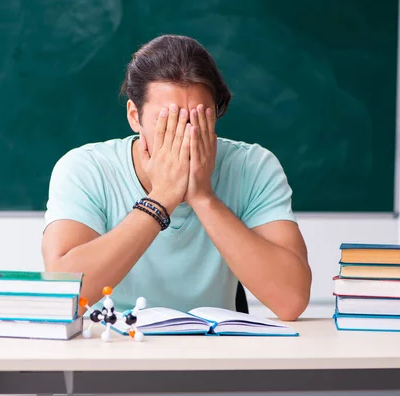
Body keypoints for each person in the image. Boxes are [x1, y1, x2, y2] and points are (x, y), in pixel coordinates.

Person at [41, 34, 311, 321]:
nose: (183, 134)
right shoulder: (85, 168)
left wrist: (203, 197)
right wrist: (160, 200)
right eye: (167, 121)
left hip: (215, 351)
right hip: (113, 348)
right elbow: (66, 290)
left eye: (198, 119)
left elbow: (291, 300)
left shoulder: (253, 166)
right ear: (135, 116)